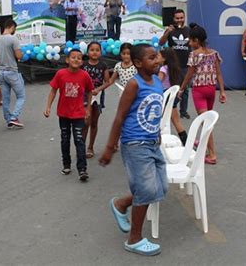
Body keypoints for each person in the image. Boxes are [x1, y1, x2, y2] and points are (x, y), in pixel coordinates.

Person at [99, 44, 165, 256]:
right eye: (151, 58)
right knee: (146, 192)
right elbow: (120, 116)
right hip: (135, 144)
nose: (157, 61)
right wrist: (110, 147)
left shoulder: (156, 81)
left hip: (152, 142)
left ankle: (120, 204)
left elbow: (153, 111)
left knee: (160, 188)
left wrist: (158, 133)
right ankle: (134, 240)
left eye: (157, 57)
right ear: (137, 63)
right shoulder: (133, 85)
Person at [179, 24, 227, 164]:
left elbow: (189, 75)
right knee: (207, 120)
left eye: (191, 40)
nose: (189, 43)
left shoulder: (194, 55)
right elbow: (219, 74)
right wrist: (222, 91)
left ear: (196, 40)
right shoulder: (214, 53)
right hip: (211, 89)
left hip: (199, 90)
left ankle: (212, 154)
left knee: (205, 122)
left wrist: (182, 89)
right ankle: (204, 142)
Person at [44, 49, 93, 181]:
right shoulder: (60, 74)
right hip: (64, 113)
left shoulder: (84, 75)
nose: (76, 59)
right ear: (67, 60)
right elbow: (53, 91)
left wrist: (88, 108)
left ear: (82, 61)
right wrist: (48, 106)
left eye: (79, 58)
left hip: (78, 114)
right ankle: (66, 164)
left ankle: (82, 169)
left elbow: (90, 92)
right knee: (65, 139)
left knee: (79, 140)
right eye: (73, 57)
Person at [158, 9, 191, 119]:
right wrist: (167, 32)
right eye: (177, 18)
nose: (179, 20)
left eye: (181, 18)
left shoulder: (188, 30)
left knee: (185, 89)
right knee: (173, 87)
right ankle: (171, 107)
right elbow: (161, 42)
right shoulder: (170, 30)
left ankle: (183, 111)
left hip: (186, 64)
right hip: (173, 65)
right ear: (173, 19)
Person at [0, 20, 25, 128]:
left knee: (5, 98)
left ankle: (8, 119)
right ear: (11, 27)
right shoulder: (13, 39)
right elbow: (19, 56)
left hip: (1, 72)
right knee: (21, 96)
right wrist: (21, 54)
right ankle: (14, 117)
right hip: (12, 71)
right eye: (14, 29)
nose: (14, 31)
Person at [81, 42, 109, 159]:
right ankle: (81, 147)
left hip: (98, 96)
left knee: (94, 122)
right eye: (92, 50)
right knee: (85, 122)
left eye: (97, 50)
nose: (94, 52)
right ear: (88, 52)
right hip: (84, 95)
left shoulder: (103, 65)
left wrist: (98, 89)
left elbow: (107, 82)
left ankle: (90, 147)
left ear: (100, 52)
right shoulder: (83, 65)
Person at [158, 48, 187, 144]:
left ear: (164, 58)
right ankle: (186, 141)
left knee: (158, 121)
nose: (157, 58)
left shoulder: (163, 69)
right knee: (177, 122)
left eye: (159, 56)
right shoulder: (173, 68)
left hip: (165, 97)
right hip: (172, 96)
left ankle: (155, 142)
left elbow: (158, 82)